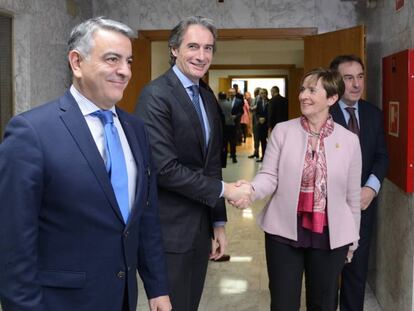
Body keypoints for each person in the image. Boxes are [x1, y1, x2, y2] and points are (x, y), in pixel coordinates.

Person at [0, 17, 171, 311]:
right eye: (112, 59)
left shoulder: (136, 129)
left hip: (123, 299)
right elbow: (13, 244)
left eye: (129, 61)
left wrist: (157, 288)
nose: (125, 71)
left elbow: (146, 218)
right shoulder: (32, 133)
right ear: (77, 63)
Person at [135, 16, 250, 311]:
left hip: (201, 230)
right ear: (174, 49)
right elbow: (165, 170)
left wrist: (219, 224)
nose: (202, 56)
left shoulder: (207, 97)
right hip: (169, 233)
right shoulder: (156, 95)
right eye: (193, 46)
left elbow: (211, 165)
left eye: (208, 48)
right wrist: (226, 190)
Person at [234, 68, 362, 311]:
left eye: (312, 90)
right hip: (284, 231)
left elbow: (352, 197)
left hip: (330, 235)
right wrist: (250, 189)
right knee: (283, 303)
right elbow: (269, 176)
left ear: (332, 98)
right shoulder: (283, 131)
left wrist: (352, 240)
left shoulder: (349, 141)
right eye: (303, 89)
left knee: (323, 303)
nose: (304, 95)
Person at [329, 55, 389, 311]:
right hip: (328, 209)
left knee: (356, 272)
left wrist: (371, 188)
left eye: (360, 77)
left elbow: (382, 156)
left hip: (363, 207)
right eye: (348, 77)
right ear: (336, 82)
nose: (356, 84)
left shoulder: (373, 114)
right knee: (328, 276)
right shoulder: (323, 114)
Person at [218, 90, 238, 163]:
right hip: (231, 124)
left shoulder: (217, 104)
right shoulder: (229, 103)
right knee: (232, 142)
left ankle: (223, 160)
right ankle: (234, 157)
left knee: (224, 143)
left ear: (219, 97)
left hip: (222, 125)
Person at [255, 88, 269, 162]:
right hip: (260, 125)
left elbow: (271, 113)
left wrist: (265, 119)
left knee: (270, 142)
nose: (262, 94)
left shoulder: (270, 102)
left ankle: (269, 157)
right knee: (262, 141)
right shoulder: (259, 102)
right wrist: (259, 119)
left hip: (268, 124)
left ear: (266, 94)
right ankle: (263, 157)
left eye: (264, 93)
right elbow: (257, 113)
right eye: (261, 93)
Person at [248, 87, 262, 159]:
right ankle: (256, 152)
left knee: (260, 137)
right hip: (254, 119)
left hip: (259, 120)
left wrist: (252, 108)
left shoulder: (260, 99)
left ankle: (260, 153)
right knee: (256, 137)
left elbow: (254, 107)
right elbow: (250, 108)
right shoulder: (254, 99)